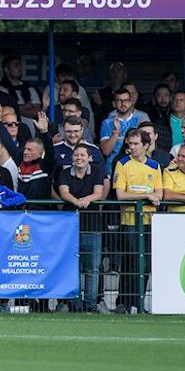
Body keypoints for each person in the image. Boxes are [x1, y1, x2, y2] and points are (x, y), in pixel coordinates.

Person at [111, 131, 164, 313]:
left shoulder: (155, 166)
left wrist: (149, 196)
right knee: (132, 261)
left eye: (136, 144)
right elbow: (121, 194)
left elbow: (159, 194)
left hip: (149, 220)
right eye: (130, 144)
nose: (132, 147)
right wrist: (146, 196)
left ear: (146, 146)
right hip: (130, 221)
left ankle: (138, 302)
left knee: (146, 263)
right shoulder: (123, 163)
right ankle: (125, 302)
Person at [54, 143, 107, 312]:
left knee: (92, 268)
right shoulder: (64, 173)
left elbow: (98, 193)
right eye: (76, 155)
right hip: (71, 226)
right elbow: (64, 192)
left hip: (92, 224)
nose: (79, 158)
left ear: (90, 158)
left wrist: (86, 200)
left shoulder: (97, 171)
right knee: (72, 267)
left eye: (82, 155)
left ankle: (91, 304)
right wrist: (76, 202)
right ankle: (75, 304)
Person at [98, 88, 146, 163]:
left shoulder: (139, 121)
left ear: (130, 102)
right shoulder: (107, 123)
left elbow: (145, 147)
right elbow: (106, 151)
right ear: (114, 104)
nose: (123, 103)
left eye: (126, 100)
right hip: (111, 169)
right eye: (119, 100)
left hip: (135, 167)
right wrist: (116, 132)